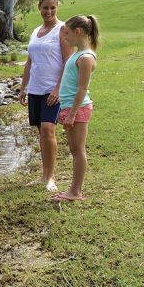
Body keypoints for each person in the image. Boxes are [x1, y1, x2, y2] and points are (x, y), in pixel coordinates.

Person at [18, 0, 72, 192]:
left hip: (53, 90)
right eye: (45, 7)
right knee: (41, 133)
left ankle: (51, 178)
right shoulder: (35, 31)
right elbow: (29, 63)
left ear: (57, 8)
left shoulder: (62, 29)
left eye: (53, 7)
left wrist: (58, 88)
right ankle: (44, 175)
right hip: (35, 89)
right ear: (39, 8)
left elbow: (68, 61)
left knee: (49, 130)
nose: (49, 11)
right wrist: (23, 87)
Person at [53, 14, 100, 202]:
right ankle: (73, 189)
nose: (65, 38)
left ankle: (75, 191)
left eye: (67, 34)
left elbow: (82, 89)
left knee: (78, 150)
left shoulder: (86, 58)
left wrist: (72, 113)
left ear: (78, 32)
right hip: (70, 108)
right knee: (74, 150)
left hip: (78, 109)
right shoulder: (77, 55)